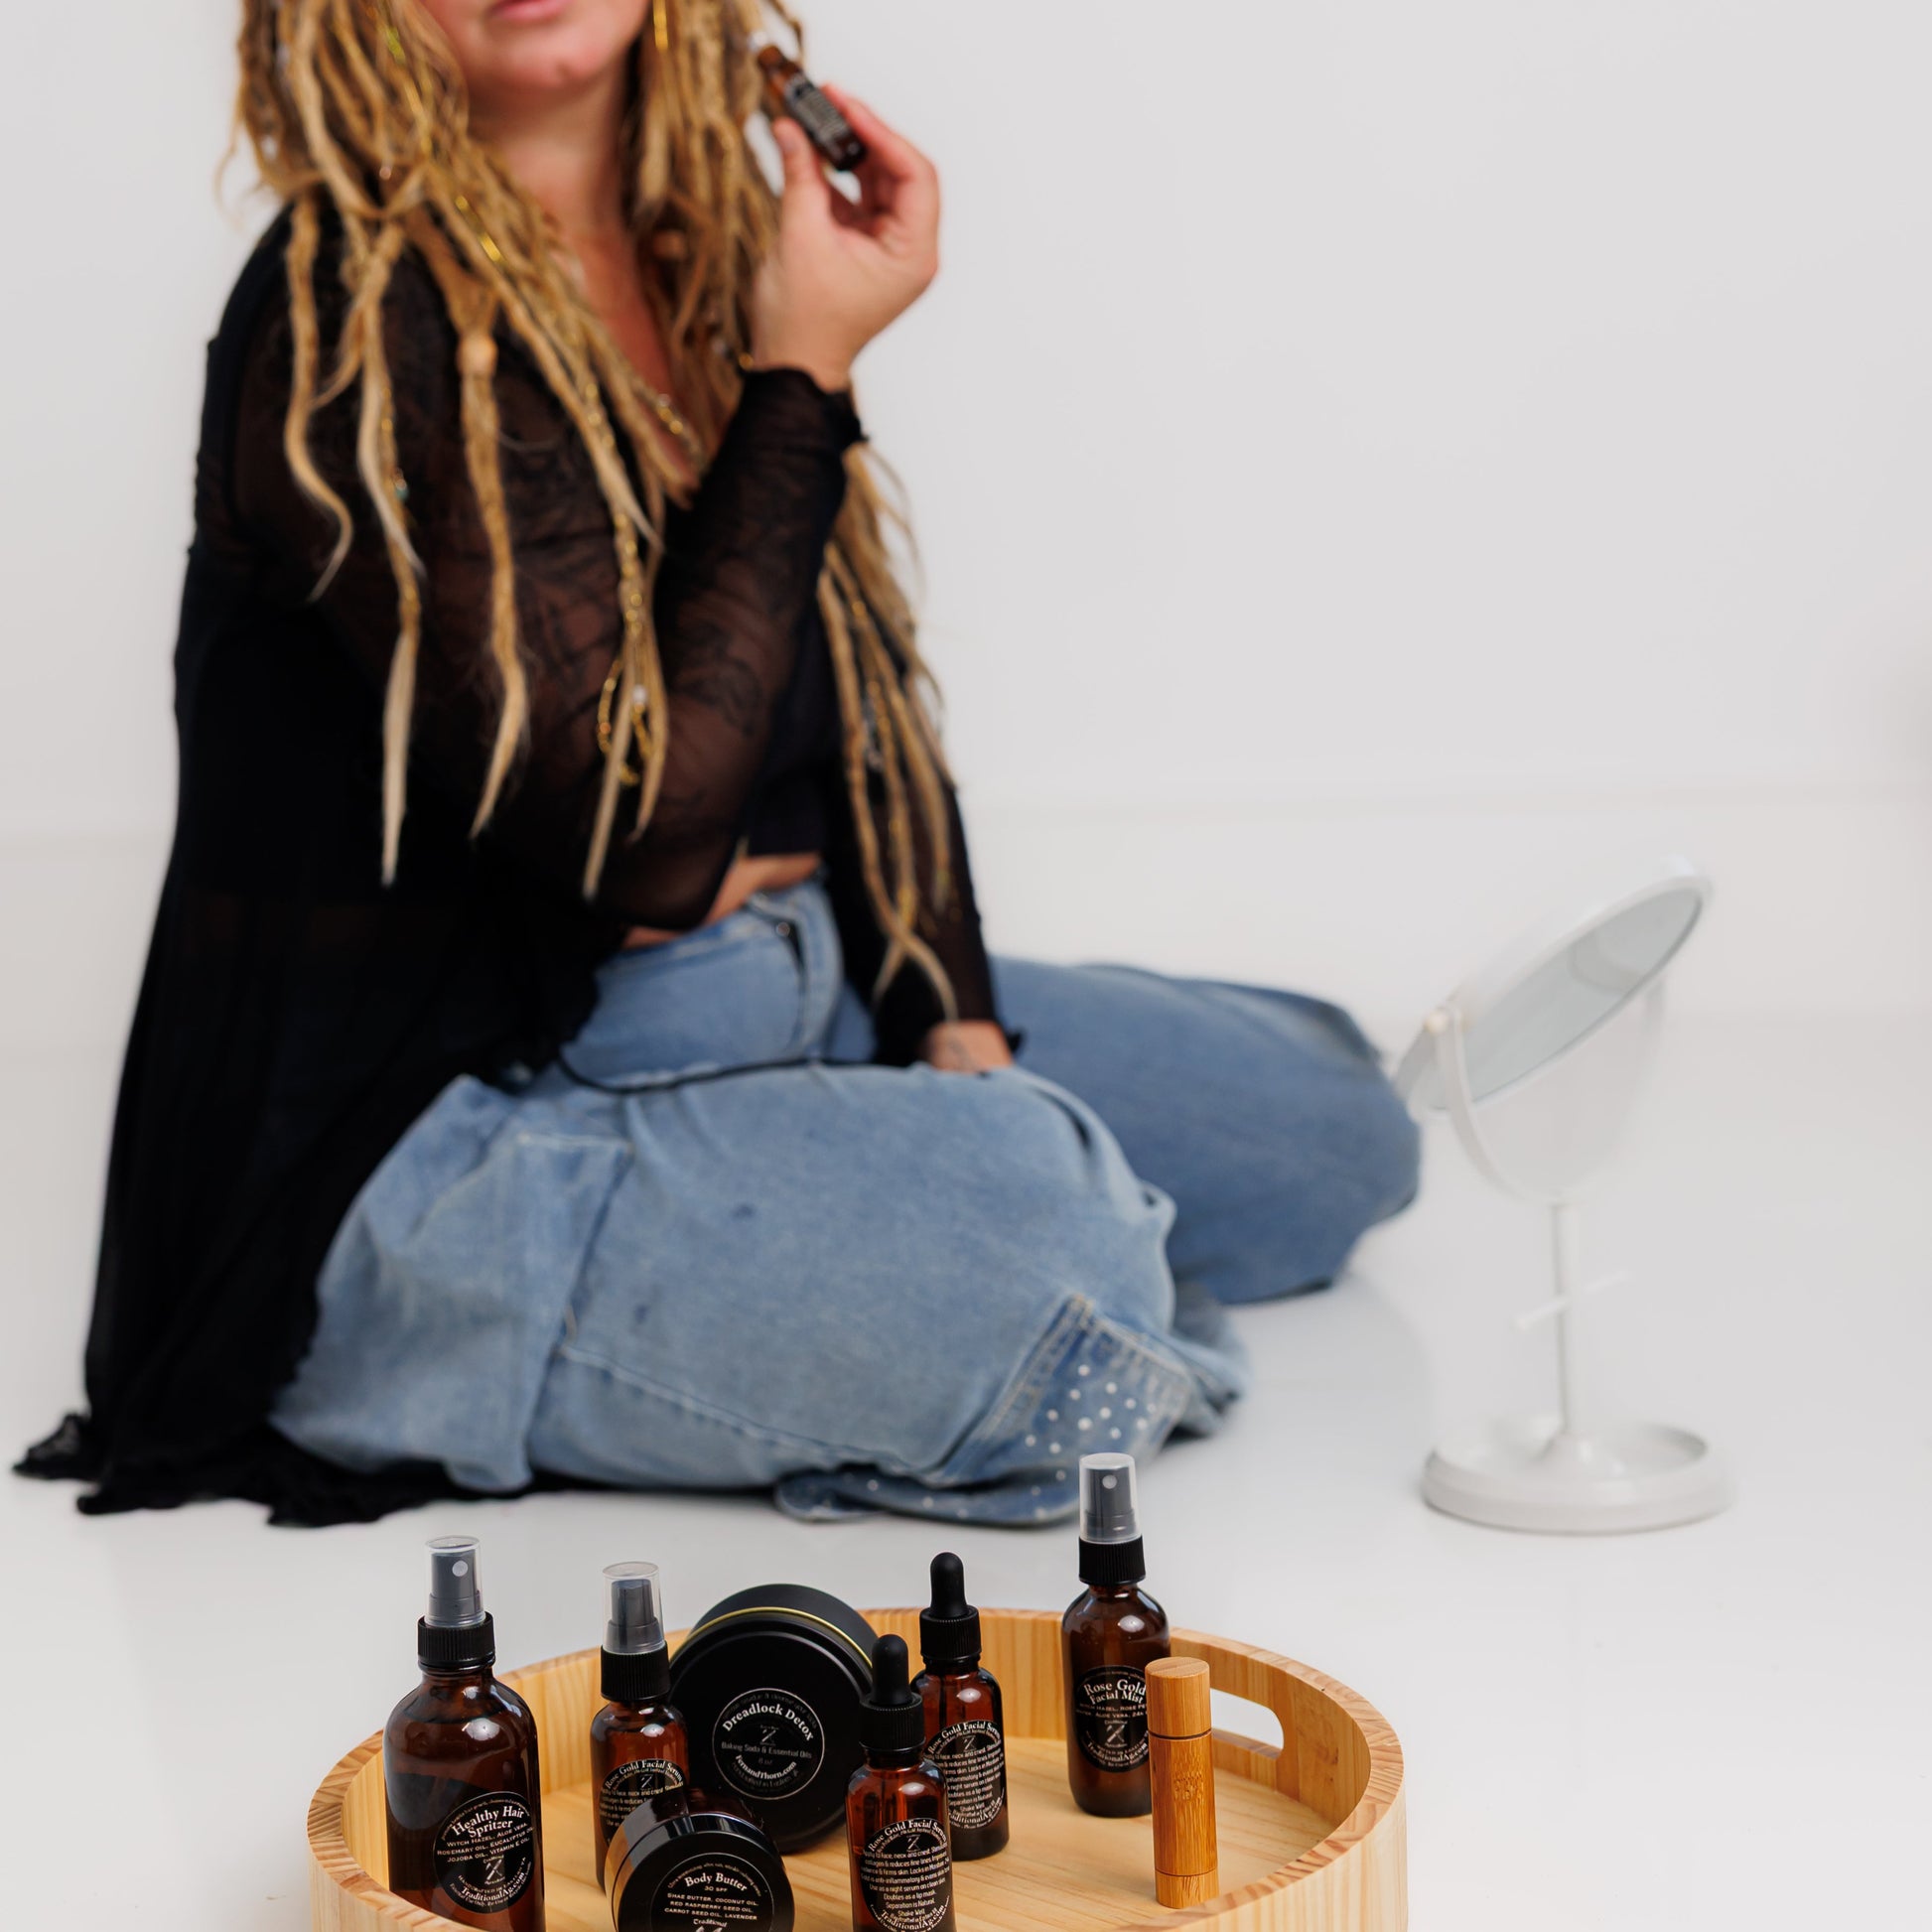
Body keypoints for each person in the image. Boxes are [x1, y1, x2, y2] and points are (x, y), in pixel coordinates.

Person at [19, 0, 1418, 1527]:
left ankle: (996, 1284)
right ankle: (1014, 1312)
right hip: (439, 1121)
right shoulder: (351, 305)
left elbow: (863, 713)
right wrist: (801, 382)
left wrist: (961, 1044)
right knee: (1046, 1248)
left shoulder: (715, 244)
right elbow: (646, 843)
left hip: (789, 983)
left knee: (1329, 1125)